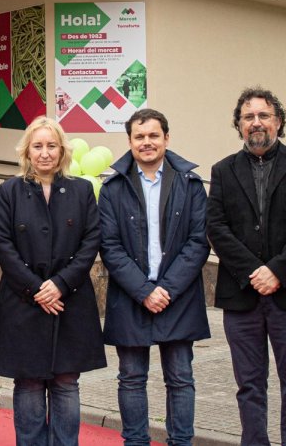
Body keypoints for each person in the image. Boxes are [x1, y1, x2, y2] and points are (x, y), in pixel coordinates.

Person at [206, 87, 286, 446]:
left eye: (263, 115)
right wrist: (254, 272)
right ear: (239, 125)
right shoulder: (223, 171)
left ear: (279, 121)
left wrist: (277, 271)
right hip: (242, 296)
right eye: (248, 117)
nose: (256, 122)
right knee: (249, 386)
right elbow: (217, 228)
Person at [0, 116, 106, 446]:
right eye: (37, 146)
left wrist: (60, 284)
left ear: (62, 150)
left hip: (70, 301)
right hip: (22, 301)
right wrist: (37, 289)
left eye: (51, 146)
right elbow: (3, 244)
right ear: (27, 151)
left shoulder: (82, 190)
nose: (44, 153)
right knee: (27, 382)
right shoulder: (10, 190)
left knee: (67, 381)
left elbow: (91, 241)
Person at [98, 108, 210, 446]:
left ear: (166, 138)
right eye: (139, 137)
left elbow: (198, 241)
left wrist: (166, 289)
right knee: (131, 378)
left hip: (179, 295)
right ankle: (135, 441)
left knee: (181, 378)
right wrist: (145, 290)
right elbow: (110, 246)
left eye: (153, 136)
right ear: (130, 141)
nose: (147, 142)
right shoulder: (112, 187)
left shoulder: (189, 183)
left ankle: (181, 442)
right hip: (131, 296)